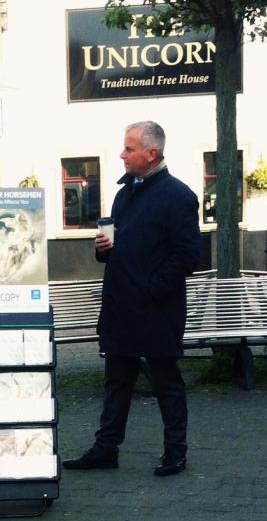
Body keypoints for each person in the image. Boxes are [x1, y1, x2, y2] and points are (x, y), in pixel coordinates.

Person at [63, 120, 202, 477]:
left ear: (151, 153)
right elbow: (115, 248)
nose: (122, 155)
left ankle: (176, 452)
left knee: (165, 381)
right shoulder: (125, 193)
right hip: (121, 304)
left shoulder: (178, 196)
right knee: (117, 380)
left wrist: (150, 288)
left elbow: (188, 256)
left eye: (129, 149)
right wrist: (103, 249)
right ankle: (106, 448)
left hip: (157, 307)